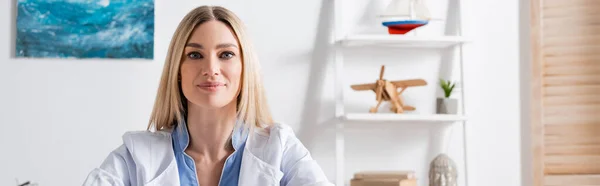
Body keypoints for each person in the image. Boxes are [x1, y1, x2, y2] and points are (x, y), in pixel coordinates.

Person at [82, 5, 333, 186]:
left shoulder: (280, 149)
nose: (211, 69)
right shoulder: (135, 156)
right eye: (194, 55)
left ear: (245, 68)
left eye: (226, 54)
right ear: (177, 71)